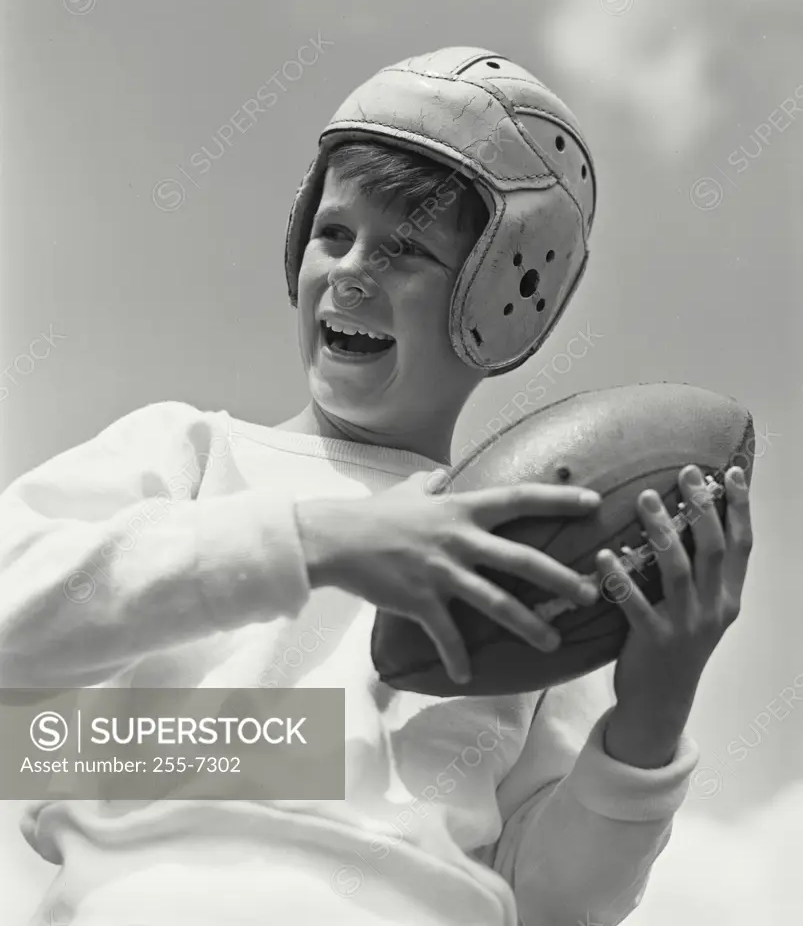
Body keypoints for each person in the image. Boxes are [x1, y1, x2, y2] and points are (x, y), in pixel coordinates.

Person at [0, 47, 753, 926]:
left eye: (405, 252)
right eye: (331, 233)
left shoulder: (527, 550)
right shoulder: (189, 455)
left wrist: (649, 720)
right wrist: (318, 544)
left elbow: (549, 901)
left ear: (503, 293)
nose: (350, 271)